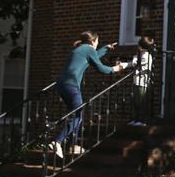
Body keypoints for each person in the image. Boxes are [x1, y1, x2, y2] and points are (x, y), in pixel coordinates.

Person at [52, 31, 127, 159]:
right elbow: (101, 68)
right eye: (98, 41)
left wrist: (106, 48)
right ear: (93, 41)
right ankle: (57, 142)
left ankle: (73, 144)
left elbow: (93, 57)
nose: (97, 44)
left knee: (76, 114)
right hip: (71, 86)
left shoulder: (81, 49)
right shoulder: (88, 49)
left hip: (61, 85)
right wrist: (116, 69)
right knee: (78, 116)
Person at [130, 36, 155, 125]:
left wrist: (135, 59)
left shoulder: (147, 56)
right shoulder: (139, 55)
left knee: (141, 101)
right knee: (135, 101)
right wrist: (122, 64)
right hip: (136, 81)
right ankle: (136, 119)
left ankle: (142, 120)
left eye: (140, 46)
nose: (138, 47)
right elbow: (133, 63)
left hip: (142, 82)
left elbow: (136, 64)